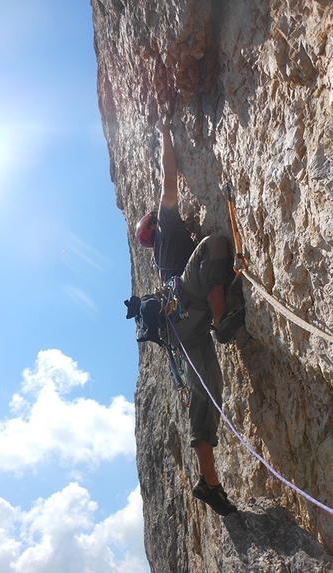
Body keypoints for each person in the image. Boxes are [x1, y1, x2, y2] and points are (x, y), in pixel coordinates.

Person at [135, 119, 244, 517]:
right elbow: (169, 179)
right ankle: (223, 322)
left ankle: (209, 481)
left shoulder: (158, 261)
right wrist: (166, 133)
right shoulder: (166, 228)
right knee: (215, 244)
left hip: (180, 328)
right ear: (154, 224)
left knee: (208, 389)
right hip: (191, 307)